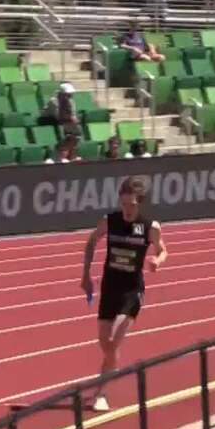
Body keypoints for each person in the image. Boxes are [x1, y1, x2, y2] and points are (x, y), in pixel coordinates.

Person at [80, 176, 168, 412]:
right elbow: (91, 242)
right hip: (110, 288)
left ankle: (101, 393)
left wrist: (157, 261)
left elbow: (163, 250)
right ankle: (102, 386)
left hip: (132, 292)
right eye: (125, 204)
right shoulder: (109, 221)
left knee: (113, 341)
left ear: (140, 204)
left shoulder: (150, 227)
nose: (128, 210)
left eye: (133, 206)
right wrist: (86, 275)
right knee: (106, 345)